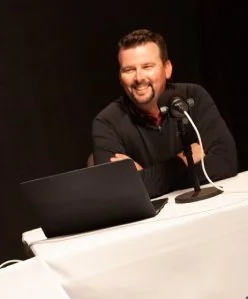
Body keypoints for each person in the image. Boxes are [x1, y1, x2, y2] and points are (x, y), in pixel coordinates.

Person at [91, 29, 238, 198]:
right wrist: (182, 163)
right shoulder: (106, 122)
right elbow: (116, 192)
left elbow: (226, 162)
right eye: (129, 69)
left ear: (167, 69)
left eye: (147, 66)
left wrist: (144, 176)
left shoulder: (193, 96)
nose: (139, 77)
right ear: (120, 77)